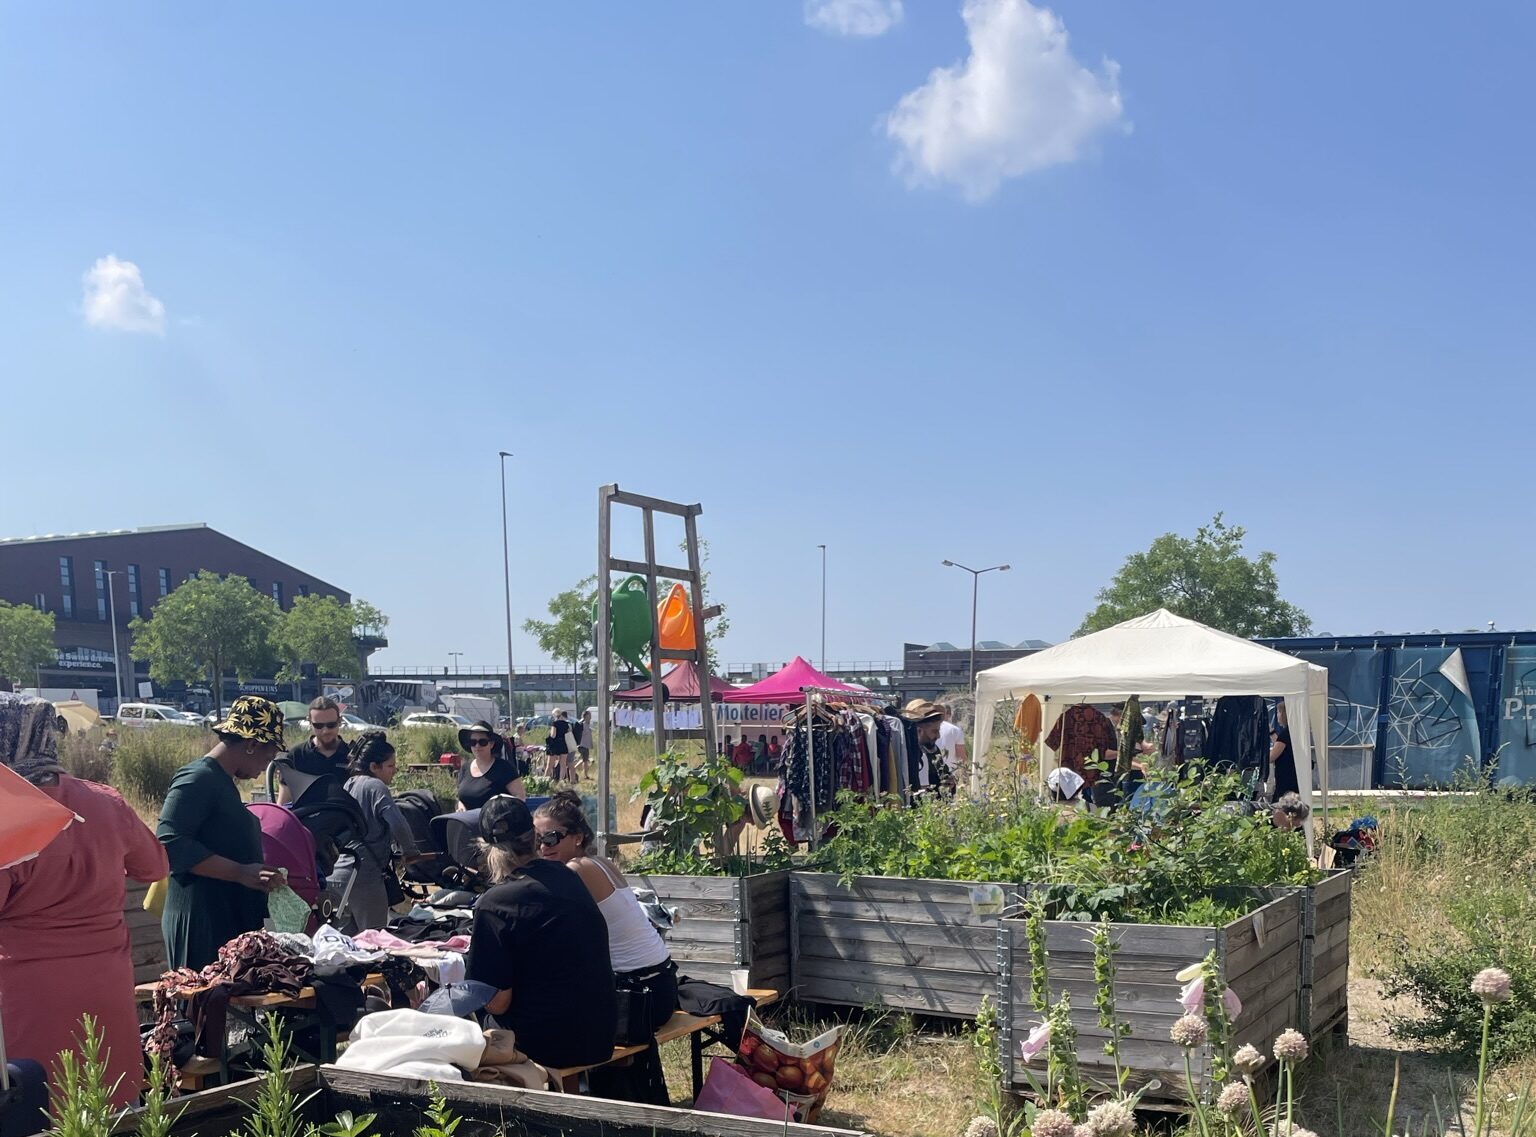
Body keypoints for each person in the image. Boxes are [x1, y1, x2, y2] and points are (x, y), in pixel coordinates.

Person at [0, 694, 168, 1109]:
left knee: (38, 1107)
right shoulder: (105, 801)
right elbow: (154, 865)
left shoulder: (9, 813)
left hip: (29, 993)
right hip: (106, 979)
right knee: (111, 1096)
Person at [466, 796, 617, 1069]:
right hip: (600, 1033)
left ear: (488, 850)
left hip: (547, 1044)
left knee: (467, 1020)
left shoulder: (495, 903)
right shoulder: (568, 876)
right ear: (535, 837)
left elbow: (497, 1003)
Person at [533, 792, 678, 1045]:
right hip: (660, 985)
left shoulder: (575, 870)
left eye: (551, 837)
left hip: (638, 999)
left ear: (578, 837)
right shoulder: (599, 862)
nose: (543, 847)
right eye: (536, 840)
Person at [157, 695, 286, 971]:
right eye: (269, 756)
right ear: (252, 744)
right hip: (201, 921)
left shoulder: (221, 781)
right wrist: (240, 872)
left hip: (220, 918)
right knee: (200, 1008)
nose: (267, 767)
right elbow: (170, 842)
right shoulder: (198, 778)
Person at [329, 731, 428, 932]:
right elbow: (397, 822)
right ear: (374, 767)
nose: (394, 770)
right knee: (374, 940)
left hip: (340, 873)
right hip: (365, 876)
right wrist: (410, 851)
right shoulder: (376, 786)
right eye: (390, 766)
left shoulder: (349, 784)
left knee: (346, 941)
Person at [275, 696, 350, 805]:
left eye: (331, 725)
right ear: (309, 722)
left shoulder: (353, 755)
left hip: (346, 818)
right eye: (318, 726)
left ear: (340, 721)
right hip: (306, 819)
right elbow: (283, 802)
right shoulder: (296, 756)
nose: (325, 731)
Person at [455, 720, 527, 810]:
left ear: (491, 744)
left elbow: (520, 797)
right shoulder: (465, 768)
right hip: (467, 822)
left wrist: (501, 814)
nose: (477, 746)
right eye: (473, 742)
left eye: (482, 742)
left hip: (494, 822)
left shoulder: (504, 768)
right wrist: (460, 807)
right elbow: (460, 798)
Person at [936, 704, 970, 782]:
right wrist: (965, 776)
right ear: (949, 715)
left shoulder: (926, 727)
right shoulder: (955, 730)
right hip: (949, 775)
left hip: (929, 774)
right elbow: (961, 756)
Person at [1270, 723, 1300, 798]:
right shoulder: (1292, 732)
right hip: (1292, 778)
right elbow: (1279, 743)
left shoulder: (1285, 734)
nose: (1277, 715)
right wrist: (1271, 732)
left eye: (1278, 712)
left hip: (1286, 780)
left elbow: (1271, 757)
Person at [545, 709, 575, 782]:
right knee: (563, 765)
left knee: (549, 765)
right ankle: (561, 780)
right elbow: (568, 733)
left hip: (555, 746)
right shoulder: (566, 724)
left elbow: (553, 735)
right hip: (563, 745)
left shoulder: (554, 723)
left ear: (554, 715)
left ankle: (545, 780)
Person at [575, 710, 594, 778]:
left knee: (584, 759)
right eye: (589, 715)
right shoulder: (582, 724)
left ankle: (575, 768)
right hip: (582, 745)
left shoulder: (588, 724)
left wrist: (591, 744)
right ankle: (585, 775)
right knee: (585, 761)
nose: (591, 716)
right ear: (586, 716)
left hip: (585, 745)